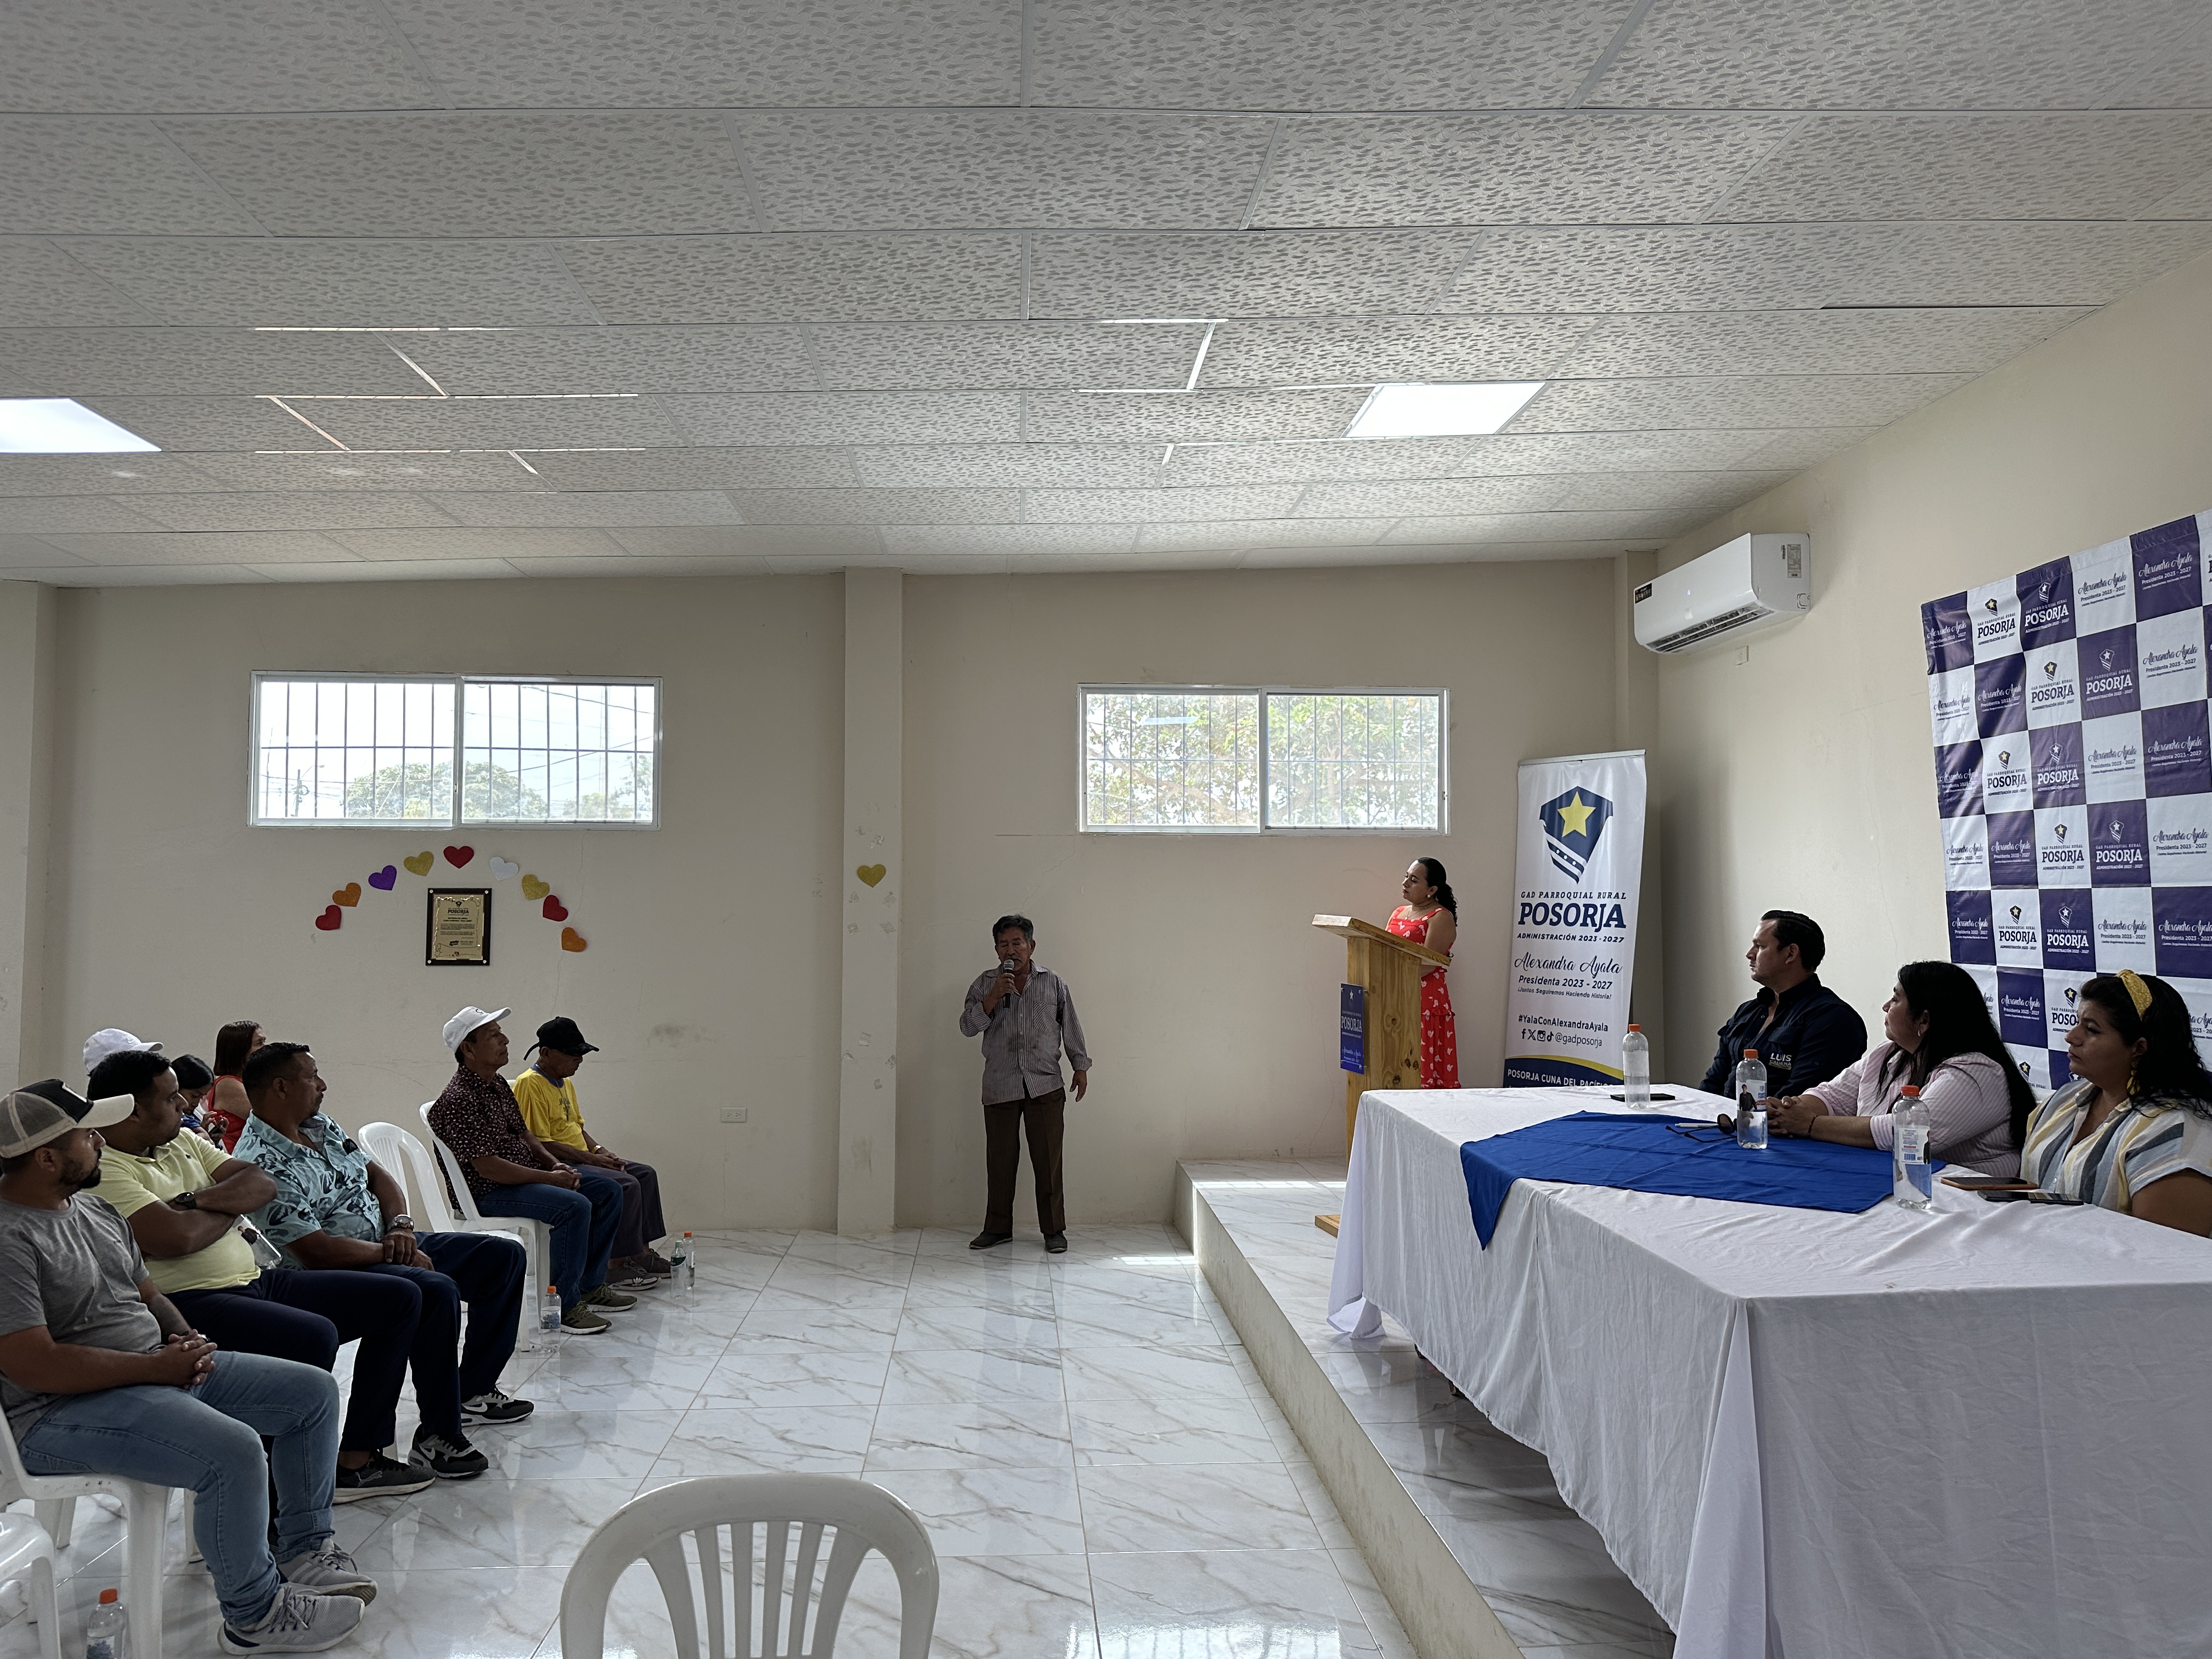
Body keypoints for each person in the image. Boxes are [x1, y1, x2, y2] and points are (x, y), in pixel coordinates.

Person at [0, 1079, 374, 1653]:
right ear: (47, 1158)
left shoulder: (93, 1209)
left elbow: (148, 1295)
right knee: (234, 1450)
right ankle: (254, 1616)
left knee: (313, 1394)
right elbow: (36, 1365)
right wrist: (153, 1370)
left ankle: (304, 1549)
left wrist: (185, 1341)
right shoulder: (9, 1239)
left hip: (148, 1371)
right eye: (87, 1134)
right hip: (57, 1412)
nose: (100, 1140)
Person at [87, 1046, 453, 1498]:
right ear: (131, 1111)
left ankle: (357, 1460)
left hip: (257, 1278)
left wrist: (193, 1202)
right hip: (190, 1301)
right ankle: (278, 1486)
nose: (184, 1105)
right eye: (170, 1098)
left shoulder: (180, 1140)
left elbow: (261, 1184)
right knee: (312, 1335)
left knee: (400, 1299)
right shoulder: (106, 1170)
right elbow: (176, 1239)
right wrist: (229, 1205)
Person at [236, 1040, 534, 1460]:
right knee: (433, 1289)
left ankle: (473, 1391)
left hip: (387, 1242)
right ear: (281, 1087)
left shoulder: (320, 1126)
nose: (323, 1085)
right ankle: (437, 1436)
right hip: (330, 1273)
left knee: (501, 1258)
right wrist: (392, 1253)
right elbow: (317, 1253)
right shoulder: (261, 1162)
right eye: (312, 1076)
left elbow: (379, 1177)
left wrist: (401, 1227)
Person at [428, 1007, 630, 1335]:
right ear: (468, 1049)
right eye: (494, 1035)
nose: (506, 1040)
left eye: (501, 1033)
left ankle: (590, 1286)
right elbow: (489, 1168)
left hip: (522, 1178)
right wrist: (550, 1179)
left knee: (609, 1190)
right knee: (574, 1206)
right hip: (488, 1192)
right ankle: (564, 1306)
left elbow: (525, 1134)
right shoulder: (459, 1100)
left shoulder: (496, 1084)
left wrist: (554, 1164)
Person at [1765, 961, 2032, 1175]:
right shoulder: (1891, 1053)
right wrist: (1788, 1112)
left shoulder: (1976, 1072)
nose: (1885, 1006)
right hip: (1901, 1183)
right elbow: (1832, 1097)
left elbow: (1907, 1134)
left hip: (1973, 1202)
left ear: (1924, 1020)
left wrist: (1811, 1124)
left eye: (1895, 1000)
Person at [2018, 970, 2212, 1235]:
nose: (2071, 1036)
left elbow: (2165, 1250)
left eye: (2091, 1029)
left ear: (2139, 1049)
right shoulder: (2062, 1101)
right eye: (2077, 1022)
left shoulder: (2178, 1130)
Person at [958, 915, 1091, 1254]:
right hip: (1000, 1085)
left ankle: (1054, 1231)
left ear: (1031, 946)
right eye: (1003, 944)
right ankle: (997, 1228)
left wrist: (1080, 1066)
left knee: (1049, 1162)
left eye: (1017, 943)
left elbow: (1070, 1025)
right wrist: (992, 998)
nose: (1011, 950)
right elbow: (968, 1027)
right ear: (996, 950)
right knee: (1000, 1162)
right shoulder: (985, 984)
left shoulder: (1053, 983)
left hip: (1044, 1084)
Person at [513, 1017, 669, 1291]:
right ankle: (614, 1266)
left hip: (582, 1157)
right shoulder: (530, 1084)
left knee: (644, 1174)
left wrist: (601, 1151)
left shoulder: (564, 1083)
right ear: (546, 1053)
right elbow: (540, 1143)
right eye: (572, 1054)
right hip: (558, 1164)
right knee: (625, 1184)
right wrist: (593, 1160)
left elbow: (577, 1128)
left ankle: (640, 1254)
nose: (579, 1060)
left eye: (581, 1053)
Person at [1698, 911, 1867, 1098]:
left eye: (1760, 947)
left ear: (1790, 953)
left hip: (1771, 1117)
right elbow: (1712, 1083)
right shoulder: (1747, 1011)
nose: (1749, 954)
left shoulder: (1832, 1018)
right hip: (1719, 1115)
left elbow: (1797, 1100)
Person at [1387, 858, 1459, 1088]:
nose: (1405, 883)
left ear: (1432, 890)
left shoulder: (1441, 917)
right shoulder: (1398, 912)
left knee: (1420, 1067)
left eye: (1414, 880)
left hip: (1424, 1001)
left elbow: (1428, 964)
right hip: (1393, 995)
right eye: (1406, 876)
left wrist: (1390, 974)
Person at [207, 1018, 266, 1153]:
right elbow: (270, 1119)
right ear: (240, 1051)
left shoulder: (249, 1081)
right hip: (239, 1156)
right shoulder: (228, 1084)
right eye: (259, 1043)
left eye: (264, 1042)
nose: (265, 1048)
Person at [172, 1052, 217, 1140]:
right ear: (176, 1088)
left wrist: (213, 1139)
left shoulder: (194, 1115)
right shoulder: (176, 1120)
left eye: (201, 1097)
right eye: (194, 1096)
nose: (196, 1104)